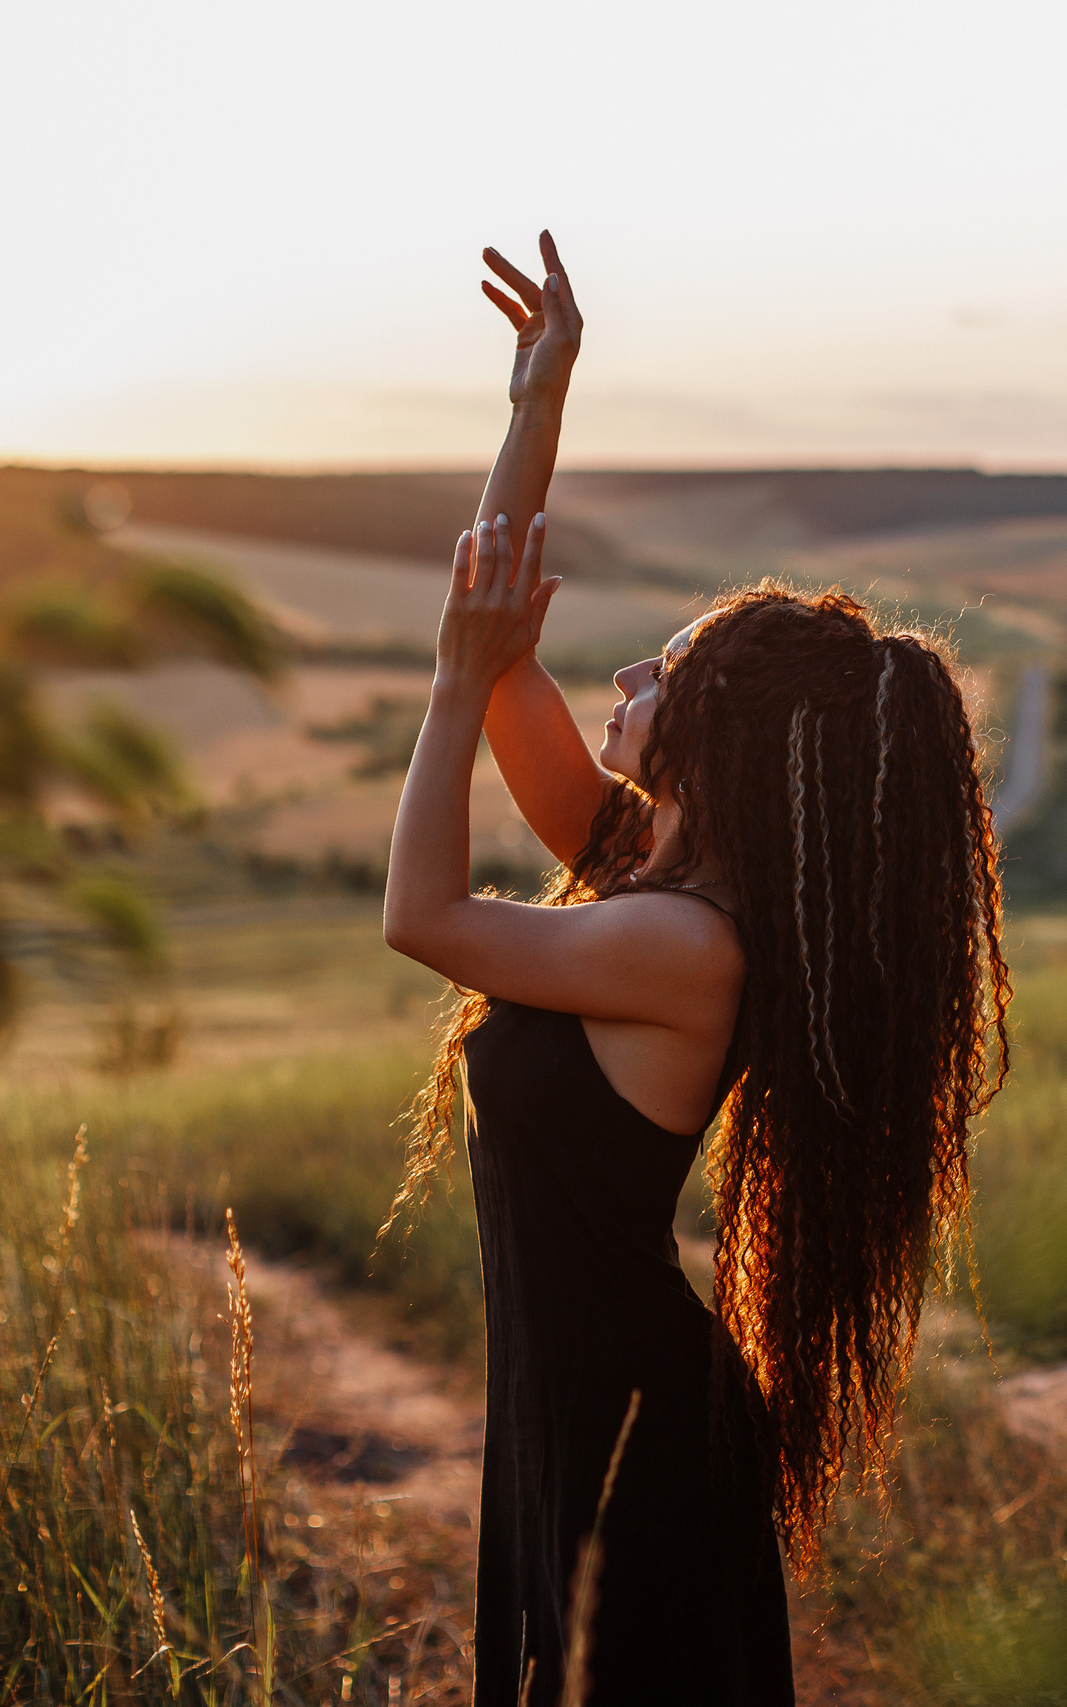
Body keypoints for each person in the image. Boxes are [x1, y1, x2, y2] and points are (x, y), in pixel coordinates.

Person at [380, 233, 1012, 1707]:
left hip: (635, 1445)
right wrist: (537, 408)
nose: (624, 682)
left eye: (660, 674)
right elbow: (499, 621)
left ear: (717, 743)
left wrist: (458, 680)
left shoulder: (673, 946)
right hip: (586, 1414)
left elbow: (419, 915)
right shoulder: (657, 887)